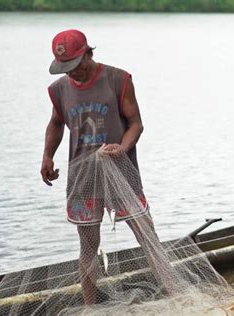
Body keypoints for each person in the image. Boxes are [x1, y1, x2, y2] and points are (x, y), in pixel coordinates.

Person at [40, 29, 174, 305]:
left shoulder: (117, 79)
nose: (71, 73)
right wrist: (47, 156)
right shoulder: (59, 89)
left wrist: (122, 148)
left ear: (88, 53)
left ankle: (175, 292)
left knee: (146, 234)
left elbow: (136, 123)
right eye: (65, 68)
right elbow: (56, 122)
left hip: (121, 172)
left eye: (75, 66)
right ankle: (90, 306)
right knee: (88, 245)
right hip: (83, 176)